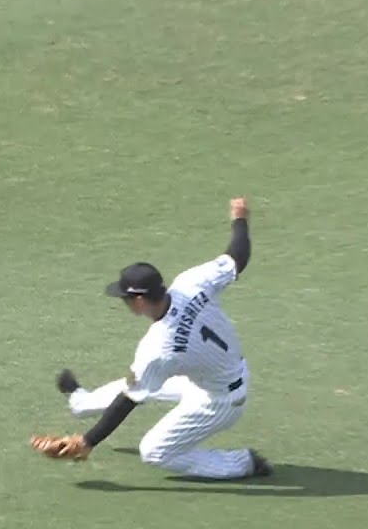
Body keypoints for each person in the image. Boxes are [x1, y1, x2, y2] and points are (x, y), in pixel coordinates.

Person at [30, 197, 272, 479]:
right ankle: (81, 403)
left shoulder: (159, 347)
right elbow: (237, 257)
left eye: (124, 298)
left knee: (154, 451)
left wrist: (86, 442)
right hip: (212, 374)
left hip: (220, 401)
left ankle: (243, 463)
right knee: (141, 380)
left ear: (139, 300)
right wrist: (240, 218)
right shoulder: (191, 283)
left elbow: (128, 401)